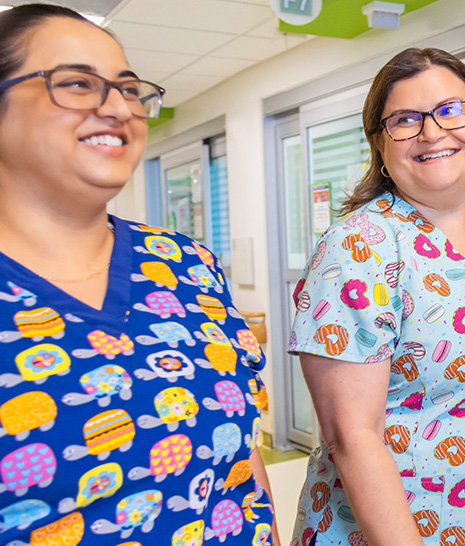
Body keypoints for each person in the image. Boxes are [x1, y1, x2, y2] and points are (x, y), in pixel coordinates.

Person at [0, 4, 279, 545]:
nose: (118, 108)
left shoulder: (187, 264)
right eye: (76, 83)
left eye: (128, 90)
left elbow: (242, 458)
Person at [288, 47, 465, 546]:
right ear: (380, 144)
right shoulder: (359, 247)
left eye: (451, 110)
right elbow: (352, 437)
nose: (432, 132)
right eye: (405, 120)